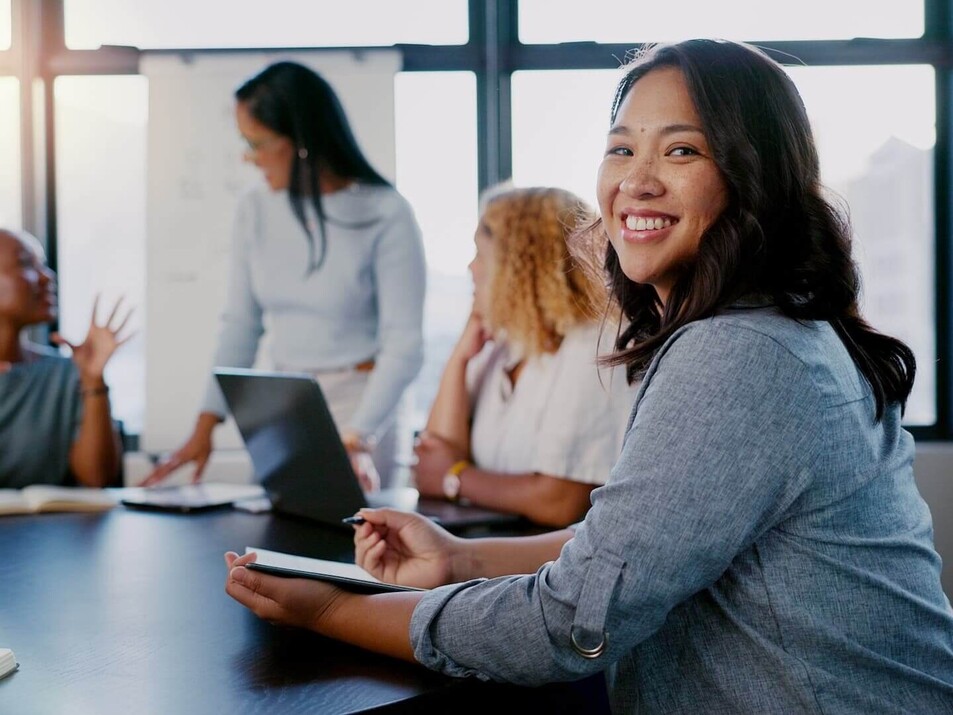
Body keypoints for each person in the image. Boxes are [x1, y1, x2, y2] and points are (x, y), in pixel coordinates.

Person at [224, 39, 953, 712]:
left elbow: (566, 622)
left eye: (681, 150)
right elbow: (627, 545)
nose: (635, 181)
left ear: (750, 176)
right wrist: (459, 556)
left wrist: (327, 610)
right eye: (619, 148)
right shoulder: (769, 329)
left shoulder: (740, 353)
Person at [143, 61, 426, 489]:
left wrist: (359, 437)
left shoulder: (387, 212)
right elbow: (240, 325)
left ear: (301, 142)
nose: (247, 156)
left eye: (257, 143)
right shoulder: (254, 208)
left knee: (366, 546)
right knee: (282, 540)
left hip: (365, 406)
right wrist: (205, 428)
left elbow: (403, 344)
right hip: (288, 407)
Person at [412, 185, 636, 527]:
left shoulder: (595, 344)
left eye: (481, 253)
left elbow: (559, 501)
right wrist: (459, 360)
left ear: (521, 265)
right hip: (491, 543)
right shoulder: (505, 345)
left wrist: (454, 478)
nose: (471, 268)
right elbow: (435, 452)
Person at [0, 228, 131, 488]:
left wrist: (93, 380)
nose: (46, 277)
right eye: (26, 264)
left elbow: (97, 479)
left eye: (44, 266)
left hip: (47, 527)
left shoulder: (67, 372)